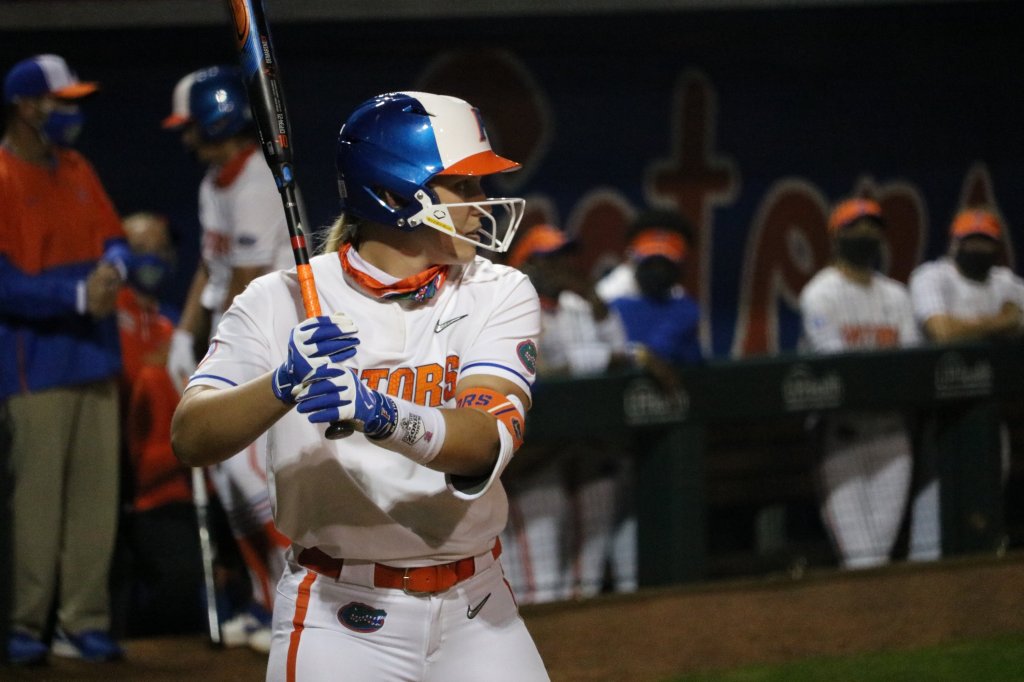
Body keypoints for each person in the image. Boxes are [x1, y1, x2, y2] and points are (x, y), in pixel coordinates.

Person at [171, 91, 549, 681]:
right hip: (338, 613)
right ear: (395, 197)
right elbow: (191, 436)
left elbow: (484, 440)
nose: (483, 204)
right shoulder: (277, 300)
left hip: (478, 606)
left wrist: (381, 414)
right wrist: (282, 383)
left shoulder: (497, 291)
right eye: (464, 186)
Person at [162, 65, 294, 652]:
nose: (187, 138)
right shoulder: (213, 182)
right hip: (237, 336)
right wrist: (181, 335)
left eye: (191, 126)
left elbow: (244, 284)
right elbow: (210, 268)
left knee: (253, 477)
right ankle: (266, 600)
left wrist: (212, 359)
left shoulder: (258, 181)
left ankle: (290, 598)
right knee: (232, 480)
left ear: (216, 121)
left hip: (274, 341)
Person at [1, 54, 126, 664]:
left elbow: (115, 237)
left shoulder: (77, 167)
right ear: (26, 107)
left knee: (94, 502)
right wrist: (77, 295)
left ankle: (82, 622)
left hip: (94, 357)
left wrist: (114, 270)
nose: (72, 114)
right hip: (36, 366)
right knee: (36, 506)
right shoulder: (1, 175)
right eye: (62, 102)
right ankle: (26, 625)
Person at [501, 224, 635, 603]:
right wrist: (601, 359)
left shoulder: (577, 308)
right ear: (527, 266)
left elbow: (619, 356)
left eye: (565, 255)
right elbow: (541, 370)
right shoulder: (507, 310)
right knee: (534, 588)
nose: (563, 265)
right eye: (551, 258)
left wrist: (594, 300)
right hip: (525, 464)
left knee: (582, 584)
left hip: (577, 454)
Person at [798, 198, 921, 570]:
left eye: (873, 226)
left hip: (892, 438)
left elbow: (912, 361)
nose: (866, 232)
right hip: (841, 438)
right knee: (861, 560)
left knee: (877, 558)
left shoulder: (896, 295)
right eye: (856, 226)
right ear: (836, 236)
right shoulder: (820, 293)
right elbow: (838, 364)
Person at [906, 207, 1024, 561]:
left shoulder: (1005, 281)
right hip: (936, 417)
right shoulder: (932, 276)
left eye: (985, 241)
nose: (978, 247)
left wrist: (973, 327)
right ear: (954, 243)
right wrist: (1001, 323)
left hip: (988, 415)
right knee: (931, 523)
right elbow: (942, 332)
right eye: (971, 240)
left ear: (997, 246)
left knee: (983, 514)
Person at [113, 212, 206, 637]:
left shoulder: (174, 327)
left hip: (166, 483)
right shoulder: (106, 317)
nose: (150, 259)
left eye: (159, 249)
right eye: (138, 249)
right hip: (115, 470)